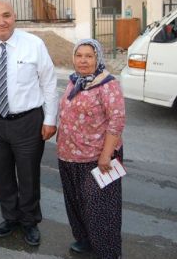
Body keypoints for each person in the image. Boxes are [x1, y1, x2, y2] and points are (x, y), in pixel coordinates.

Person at [0, 0, 58, 246]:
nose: (1, 21)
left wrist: (50, 119)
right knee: (0, 174)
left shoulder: (34, 45)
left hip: (28, 121)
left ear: (14, 16)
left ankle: (29, 221)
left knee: (28, 175)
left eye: (6, 15)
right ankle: (10, 217)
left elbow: (48, 82)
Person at [56, 39, 125, 259]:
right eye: (79, 55)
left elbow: (117, 121)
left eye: (89, 56)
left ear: (98, 59)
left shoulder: (107, 84)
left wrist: (106, 155)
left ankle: (108, 252)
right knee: (76, 203)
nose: (83, 60)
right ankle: (85, 240)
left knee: (102, 209)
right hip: (68, 155)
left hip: (97, 158)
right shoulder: (74, 81)